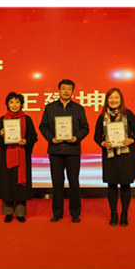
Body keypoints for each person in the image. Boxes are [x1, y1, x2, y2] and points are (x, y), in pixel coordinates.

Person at [38, 78, 89, 222]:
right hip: (55, 150)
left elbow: (85, 128)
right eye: (64, 89)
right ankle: (57, 212)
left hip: (73, 150)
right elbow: (43, 126)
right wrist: (51, 138)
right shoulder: (50, 108)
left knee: (74, 182)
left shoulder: (78, 108)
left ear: (73, 91)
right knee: (57, 183)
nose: (66, 91)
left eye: (69, 89)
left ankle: (75, 213)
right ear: (59, 90)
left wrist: (77, 137)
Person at [93, 87, 135, 227]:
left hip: (126, 156)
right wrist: (102, 142)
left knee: (125, 185)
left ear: (121, 100)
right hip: (110, 156)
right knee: (112, 185)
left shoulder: (128, 114)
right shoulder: (102, 116)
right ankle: (113, 213)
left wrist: (131, 140)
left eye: (116, 97)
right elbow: (96, 136)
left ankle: (124, 214)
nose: (113, 100)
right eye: (111, 98)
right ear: (106, 100)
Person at [0, 91, 37, 222]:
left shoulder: (27, 119)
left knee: (20, 185)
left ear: (21, 104)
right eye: (11, 102)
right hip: (6, 155)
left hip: (22, 155)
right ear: (7, 104)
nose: (14, 105)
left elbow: (34, 136)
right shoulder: (2, 119)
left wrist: (26, 141)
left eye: (17, 102)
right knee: (7, 184)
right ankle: (8, 212)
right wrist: (1, 135)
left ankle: (20, 213)